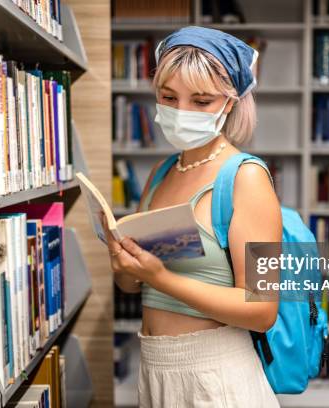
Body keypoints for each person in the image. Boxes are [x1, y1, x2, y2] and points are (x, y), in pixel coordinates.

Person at [103, 26, 282, 407]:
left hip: (217, 378)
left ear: (230, 103)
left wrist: (161, 278)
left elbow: (263, 310)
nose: (181, 112)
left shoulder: (246, 179)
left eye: (201, 102)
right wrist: (124, 266)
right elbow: (133, 287)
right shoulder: (161, 173)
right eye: (169, 97)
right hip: (154, 371)